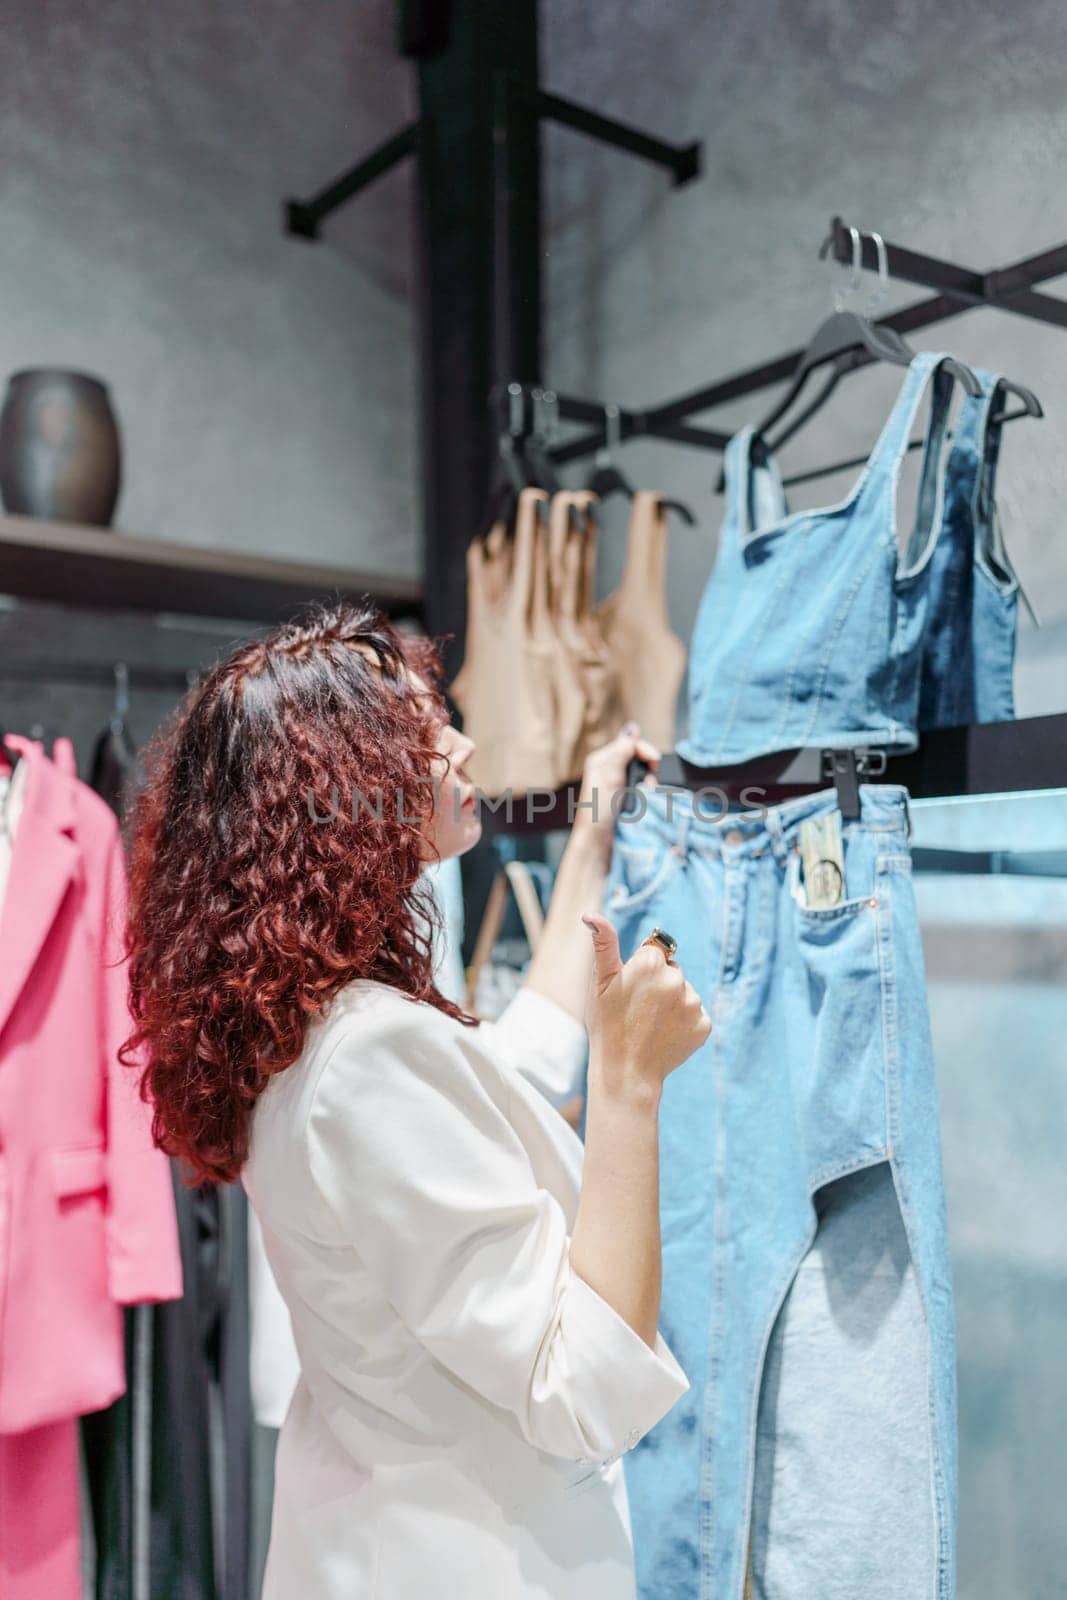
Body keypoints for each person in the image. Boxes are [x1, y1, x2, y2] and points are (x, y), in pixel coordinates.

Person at [121, 599, 711, 1600]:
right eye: (422, 731)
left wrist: (594, 824)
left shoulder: (308, 1028)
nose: (463, 743)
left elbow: (515, 1069)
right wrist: (631, 1087)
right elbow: (581, 1387)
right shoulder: (368, 1056)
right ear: (338, 786)